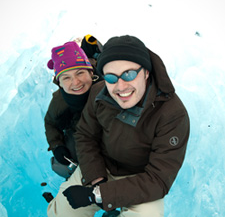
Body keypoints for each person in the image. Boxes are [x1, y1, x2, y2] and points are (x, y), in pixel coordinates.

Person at [47, 35, 190, 217]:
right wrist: (96, 179)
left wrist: (98, 195)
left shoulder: (172, 114)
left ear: (146, 72)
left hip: (141, 178)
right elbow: (85, 134)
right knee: (61, 213)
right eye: (111, 77)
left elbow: (158, 179)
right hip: (102, 166)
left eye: (129, 74)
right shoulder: (99, 92)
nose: (120, 86)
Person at [44, 35, 102, 179]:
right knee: (62, 166)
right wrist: (57, 145)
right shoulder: (60, 99)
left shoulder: (107, 83)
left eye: (80, 73)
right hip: (81, 130)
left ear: (91, 72)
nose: (75, 82)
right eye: (66, 78)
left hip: (108, 129)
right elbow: (50, 123)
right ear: (60, 83)